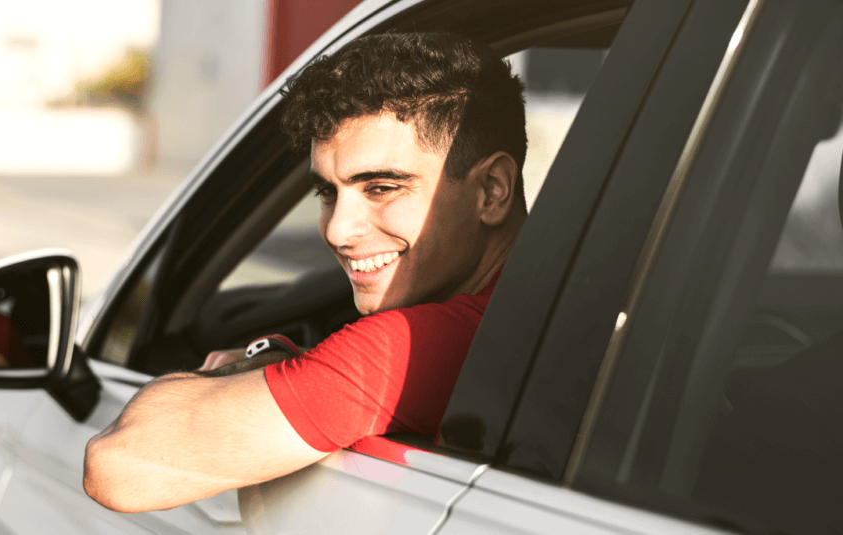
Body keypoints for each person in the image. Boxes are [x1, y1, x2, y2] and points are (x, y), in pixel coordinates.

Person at [83, 32, 528, 513]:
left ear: (493, 190)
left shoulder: (417, 344)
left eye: (380, 188)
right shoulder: (546, 306)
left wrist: (266, 361)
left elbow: (118, 466)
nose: (337, 230)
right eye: (328, 192)